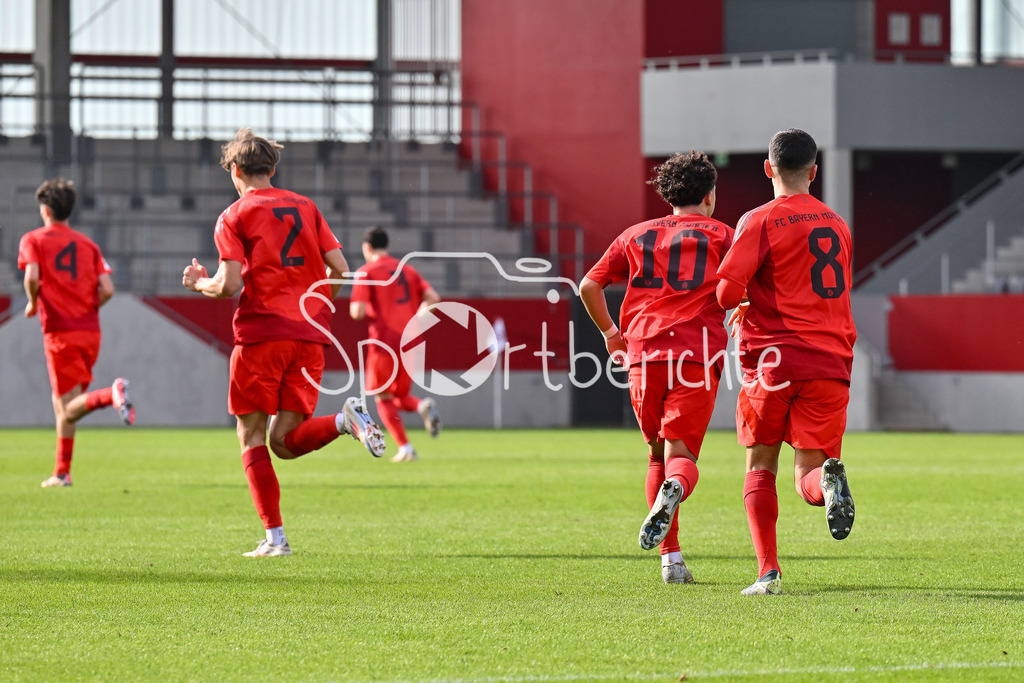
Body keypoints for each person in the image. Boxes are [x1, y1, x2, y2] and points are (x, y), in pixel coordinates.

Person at [182, 128, 386, 557]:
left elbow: (228, 285)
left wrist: (199, 283)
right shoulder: (306, 206)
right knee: (284, 441)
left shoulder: (234, 215)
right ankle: (343, 421)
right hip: (310, 336)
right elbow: (341, 271)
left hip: (262, 335)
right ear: (272, 169)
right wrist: (315, 308)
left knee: (252, 435)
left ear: (235, 171)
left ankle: (275, 538)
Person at [580, 151, 734, 584]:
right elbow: (744, 286)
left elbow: (588, 285)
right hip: (696, 354)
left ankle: (671, 561)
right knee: (680, 458)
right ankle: (676, 489)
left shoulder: (635, 234)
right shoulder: (724, 235)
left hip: (643, 355)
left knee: (655, 454)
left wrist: (611, 334)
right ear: (709, 195)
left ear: (667, 195)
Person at [716, 128, 857, 596]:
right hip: (831, 360)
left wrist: (743, 300)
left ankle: (768, 573)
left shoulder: (759, 220)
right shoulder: (838, 224)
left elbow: (725, 294)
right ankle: (827, 484)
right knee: (807, 475)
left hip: (774, 360)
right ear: (814, 172)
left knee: (761, 466)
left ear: (767, 168)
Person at [18, 178, 134, 488]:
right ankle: (62, 472)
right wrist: (86, 308)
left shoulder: (33, 240)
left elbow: (32, 277)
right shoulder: (89, 245)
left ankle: (112, 394)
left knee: (67, 408)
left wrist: (32, 302)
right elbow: (107, 288)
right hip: (91, 332)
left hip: (60, 332)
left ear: (45, 211)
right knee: (65, 403)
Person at [349, 226, 442, 462]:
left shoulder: (366, 272)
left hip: (384, 341)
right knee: (399, 395)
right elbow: (433, 299)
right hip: (411, 340)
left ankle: (406, 448)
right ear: (387, 246)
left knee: (382, 396)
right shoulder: (407, 269)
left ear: (366, 247)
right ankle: (421, 406)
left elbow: (357, 312)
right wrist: (416, 321)